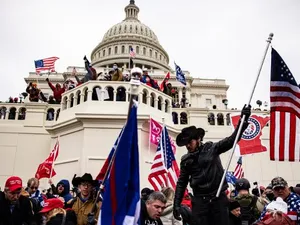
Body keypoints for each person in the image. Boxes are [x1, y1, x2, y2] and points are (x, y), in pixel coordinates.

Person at [173, 105, 251, 225]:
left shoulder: (212, 148)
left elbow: (232, 140)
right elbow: (181, 183)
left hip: (218, 198)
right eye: (186, 143)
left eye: (190, 142)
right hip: (199, 201)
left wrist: (243, 121)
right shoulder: (186, 160)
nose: (188, 146)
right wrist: (176, 204)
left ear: (198, 139)